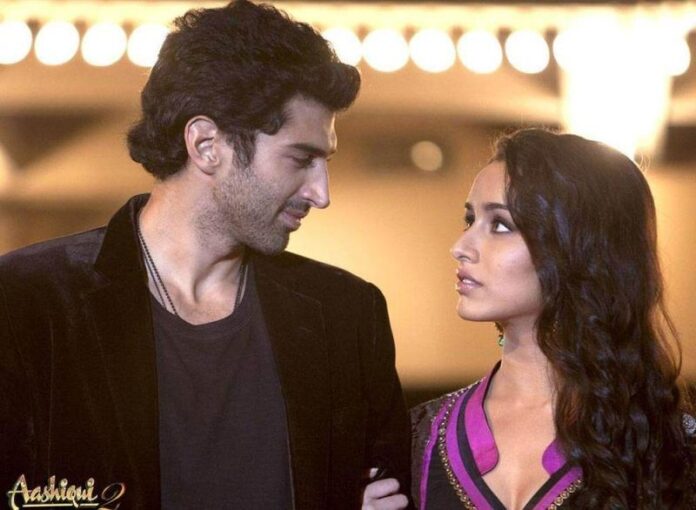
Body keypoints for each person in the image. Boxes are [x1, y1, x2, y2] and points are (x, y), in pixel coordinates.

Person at [0, 1, 410, 508]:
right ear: (206, 144)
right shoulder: (24, 304)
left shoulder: (347, 314)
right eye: (301, 158)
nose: (321, 193)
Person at [411, 128, 696, 509]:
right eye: (469, 219)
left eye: (500, 225)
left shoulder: (669, 445)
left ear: (578, 248)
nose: (460, 247)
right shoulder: (422, 436)